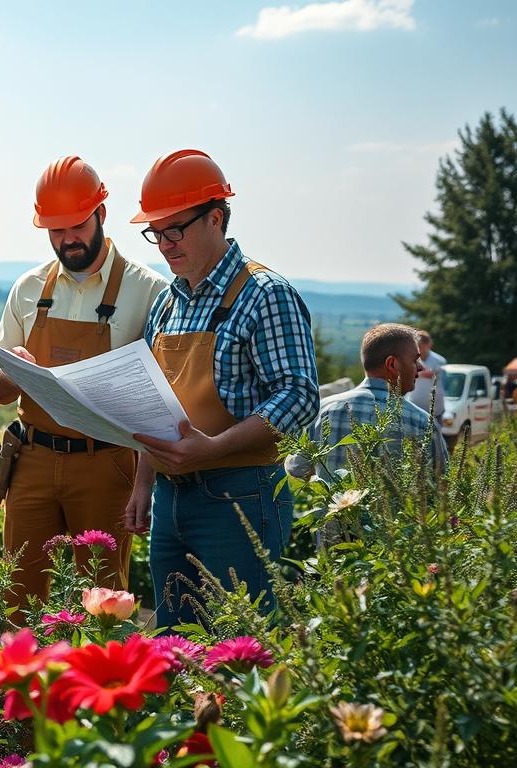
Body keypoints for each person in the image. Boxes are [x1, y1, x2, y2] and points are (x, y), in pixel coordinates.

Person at [126, 150, 319, 630]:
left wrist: (212, 449)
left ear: (216, 217)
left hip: (241, 495)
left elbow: (298, 395)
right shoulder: (168, 303)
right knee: (176, 640)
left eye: (175, 229)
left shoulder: (266, 293)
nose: (164, 244)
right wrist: (143, 485)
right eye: (156, 232)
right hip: (172, 497)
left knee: (242, 640)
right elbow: (155, 399)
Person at [0, 156, 169, 615]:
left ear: (101, 215)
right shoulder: (27, 288)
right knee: (19, 595)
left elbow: (163, 396)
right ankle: (20, 685)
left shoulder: (149, 291)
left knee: (104, 600)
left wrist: (145, 481)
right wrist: (10, 370)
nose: (67, 240)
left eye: (77, 226)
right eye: (55, 231)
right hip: (32, 459)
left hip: (105, 464)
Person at [304, 323, 448, 484]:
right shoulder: (423, 423)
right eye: (415, 360)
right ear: (391, 364)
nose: (420, 368)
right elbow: (442, 489)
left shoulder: (324, 409)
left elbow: (298, 470)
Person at [407, 330, 446, 422]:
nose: (419, 348)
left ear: (429, 344)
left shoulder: (439, 361)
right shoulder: (410, 359)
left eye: (420, 345)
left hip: (435, 408)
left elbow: (434, 376)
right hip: (414, 405)